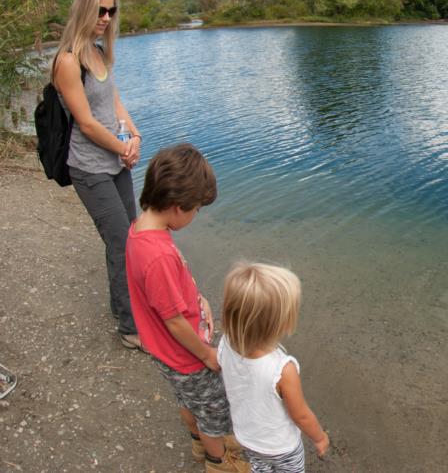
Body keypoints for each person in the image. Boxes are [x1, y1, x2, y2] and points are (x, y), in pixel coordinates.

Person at [125, 143, 248, 473]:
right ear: (178, 207)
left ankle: (197, 440)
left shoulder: (141, 230)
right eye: (196, 209)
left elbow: (167, 287)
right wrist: (207, 355)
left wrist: (198, 298)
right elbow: (174, 321)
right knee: (213, 411)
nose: (196, 216)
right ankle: (218, 460)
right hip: (187, 356)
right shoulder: (158, 256)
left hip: (165, 353)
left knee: (188, 401)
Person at [53, 0, 143, 349]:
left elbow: (114, 105)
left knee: (134, 236)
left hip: (115, 161)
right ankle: (129, 327)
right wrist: (122, 150)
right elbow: (87, 122)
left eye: (111, 11)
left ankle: (127, 306)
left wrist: (134, 136)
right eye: (99, 10)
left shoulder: (99, 53)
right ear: (84, 9)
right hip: (89, 168)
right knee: (120, 241)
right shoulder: (68, 61)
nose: (105, 18)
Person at [219, 263, 330, 472]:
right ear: (280, 323)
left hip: (248, 437)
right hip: (282, 447)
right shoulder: (281, 369)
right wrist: (320, 437)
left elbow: (227, 370)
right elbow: (301, 415)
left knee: (260, 468)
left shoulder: (226, 343)